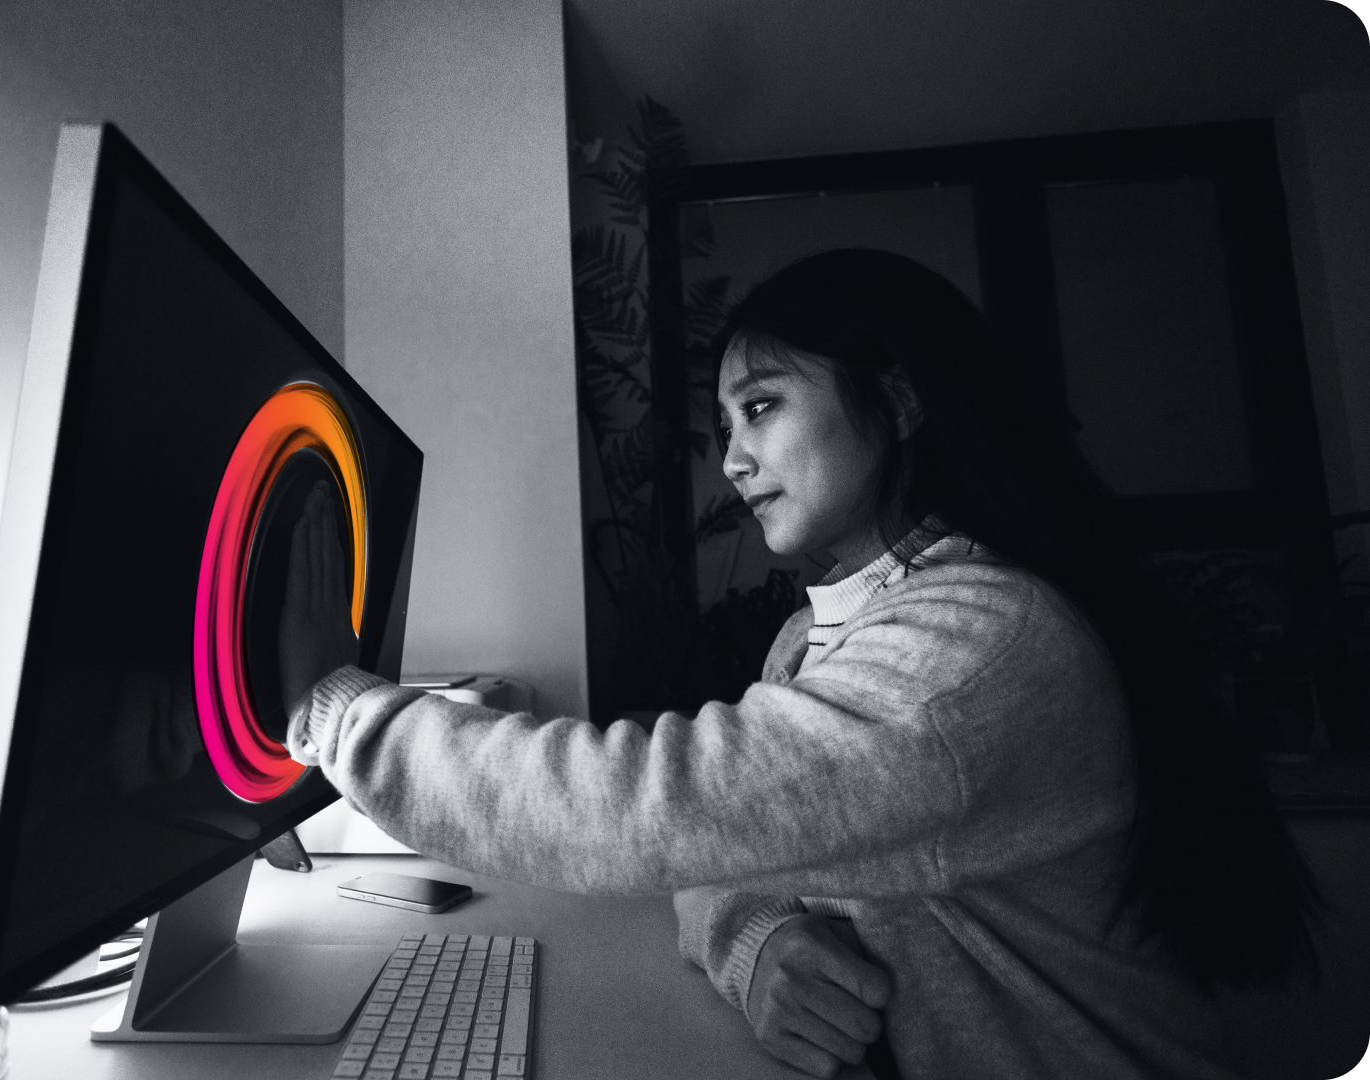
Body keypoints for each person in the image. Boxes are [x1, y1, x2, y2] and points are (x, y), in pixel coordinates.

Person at [279, 249, 1319, 1079]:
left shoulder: (979, 645)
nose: (731, 458)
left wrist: (340, 706)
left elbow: (660, 810)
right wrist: (759, 941)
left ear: (898, 404)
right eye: (727, 423)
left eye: (763, 406)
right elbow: (723, 850)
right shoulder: (812, 640)